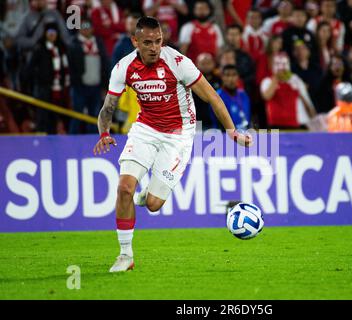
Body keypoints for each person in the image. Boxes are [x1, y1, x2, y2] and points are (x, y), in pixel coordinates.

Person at [92, 17, 252, 272]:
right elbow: (108, 107)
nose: (154, 47)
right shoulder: (123, 68)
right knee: (124, 188)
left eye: (158, 41)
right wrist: (103, 134)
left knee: (154, 205)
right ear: (135, 41)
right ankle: (125, 255)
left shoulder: (178, 62)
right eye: (147, 42)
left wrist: (232, 132)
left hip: (179, 135)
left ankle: (147, 194)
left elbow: (212, 96)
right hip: (145, 129)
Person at [68, 19, 110, 134]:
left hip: (96, 87)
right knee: (77, 115)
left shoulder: (98, 43)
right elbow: (71, 67)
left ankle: (92, 143)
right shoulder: (73, 44)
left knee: (94, 116)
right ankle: (71, 142)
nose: (86, 30)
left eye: (88, 27)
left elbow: (105, 64)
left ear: (92, 29)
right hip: (79, 87)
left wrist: (104, 85)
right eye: (83, 28)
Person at [260, 52, 316, 128]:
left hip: (293, 125)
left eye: (284, 64)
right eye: (278, 64)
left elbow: (307, 103)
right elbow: (266, 96)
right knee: (271, 139)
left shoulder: (295, 80)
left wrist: (313, 121)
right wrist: (276, 78)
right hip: (274, 125)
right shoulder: (267, 81)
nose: (281, 68)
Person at [211, 64, 251, 131]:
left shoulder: (243, 95)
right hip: (225, 136)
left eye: (234, 75)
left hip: (245, 134)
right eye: (227, 75)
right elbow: (218, 122)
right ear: (222, 77)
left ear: (238, 77)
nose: (231, 79)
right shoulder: (217, 97)